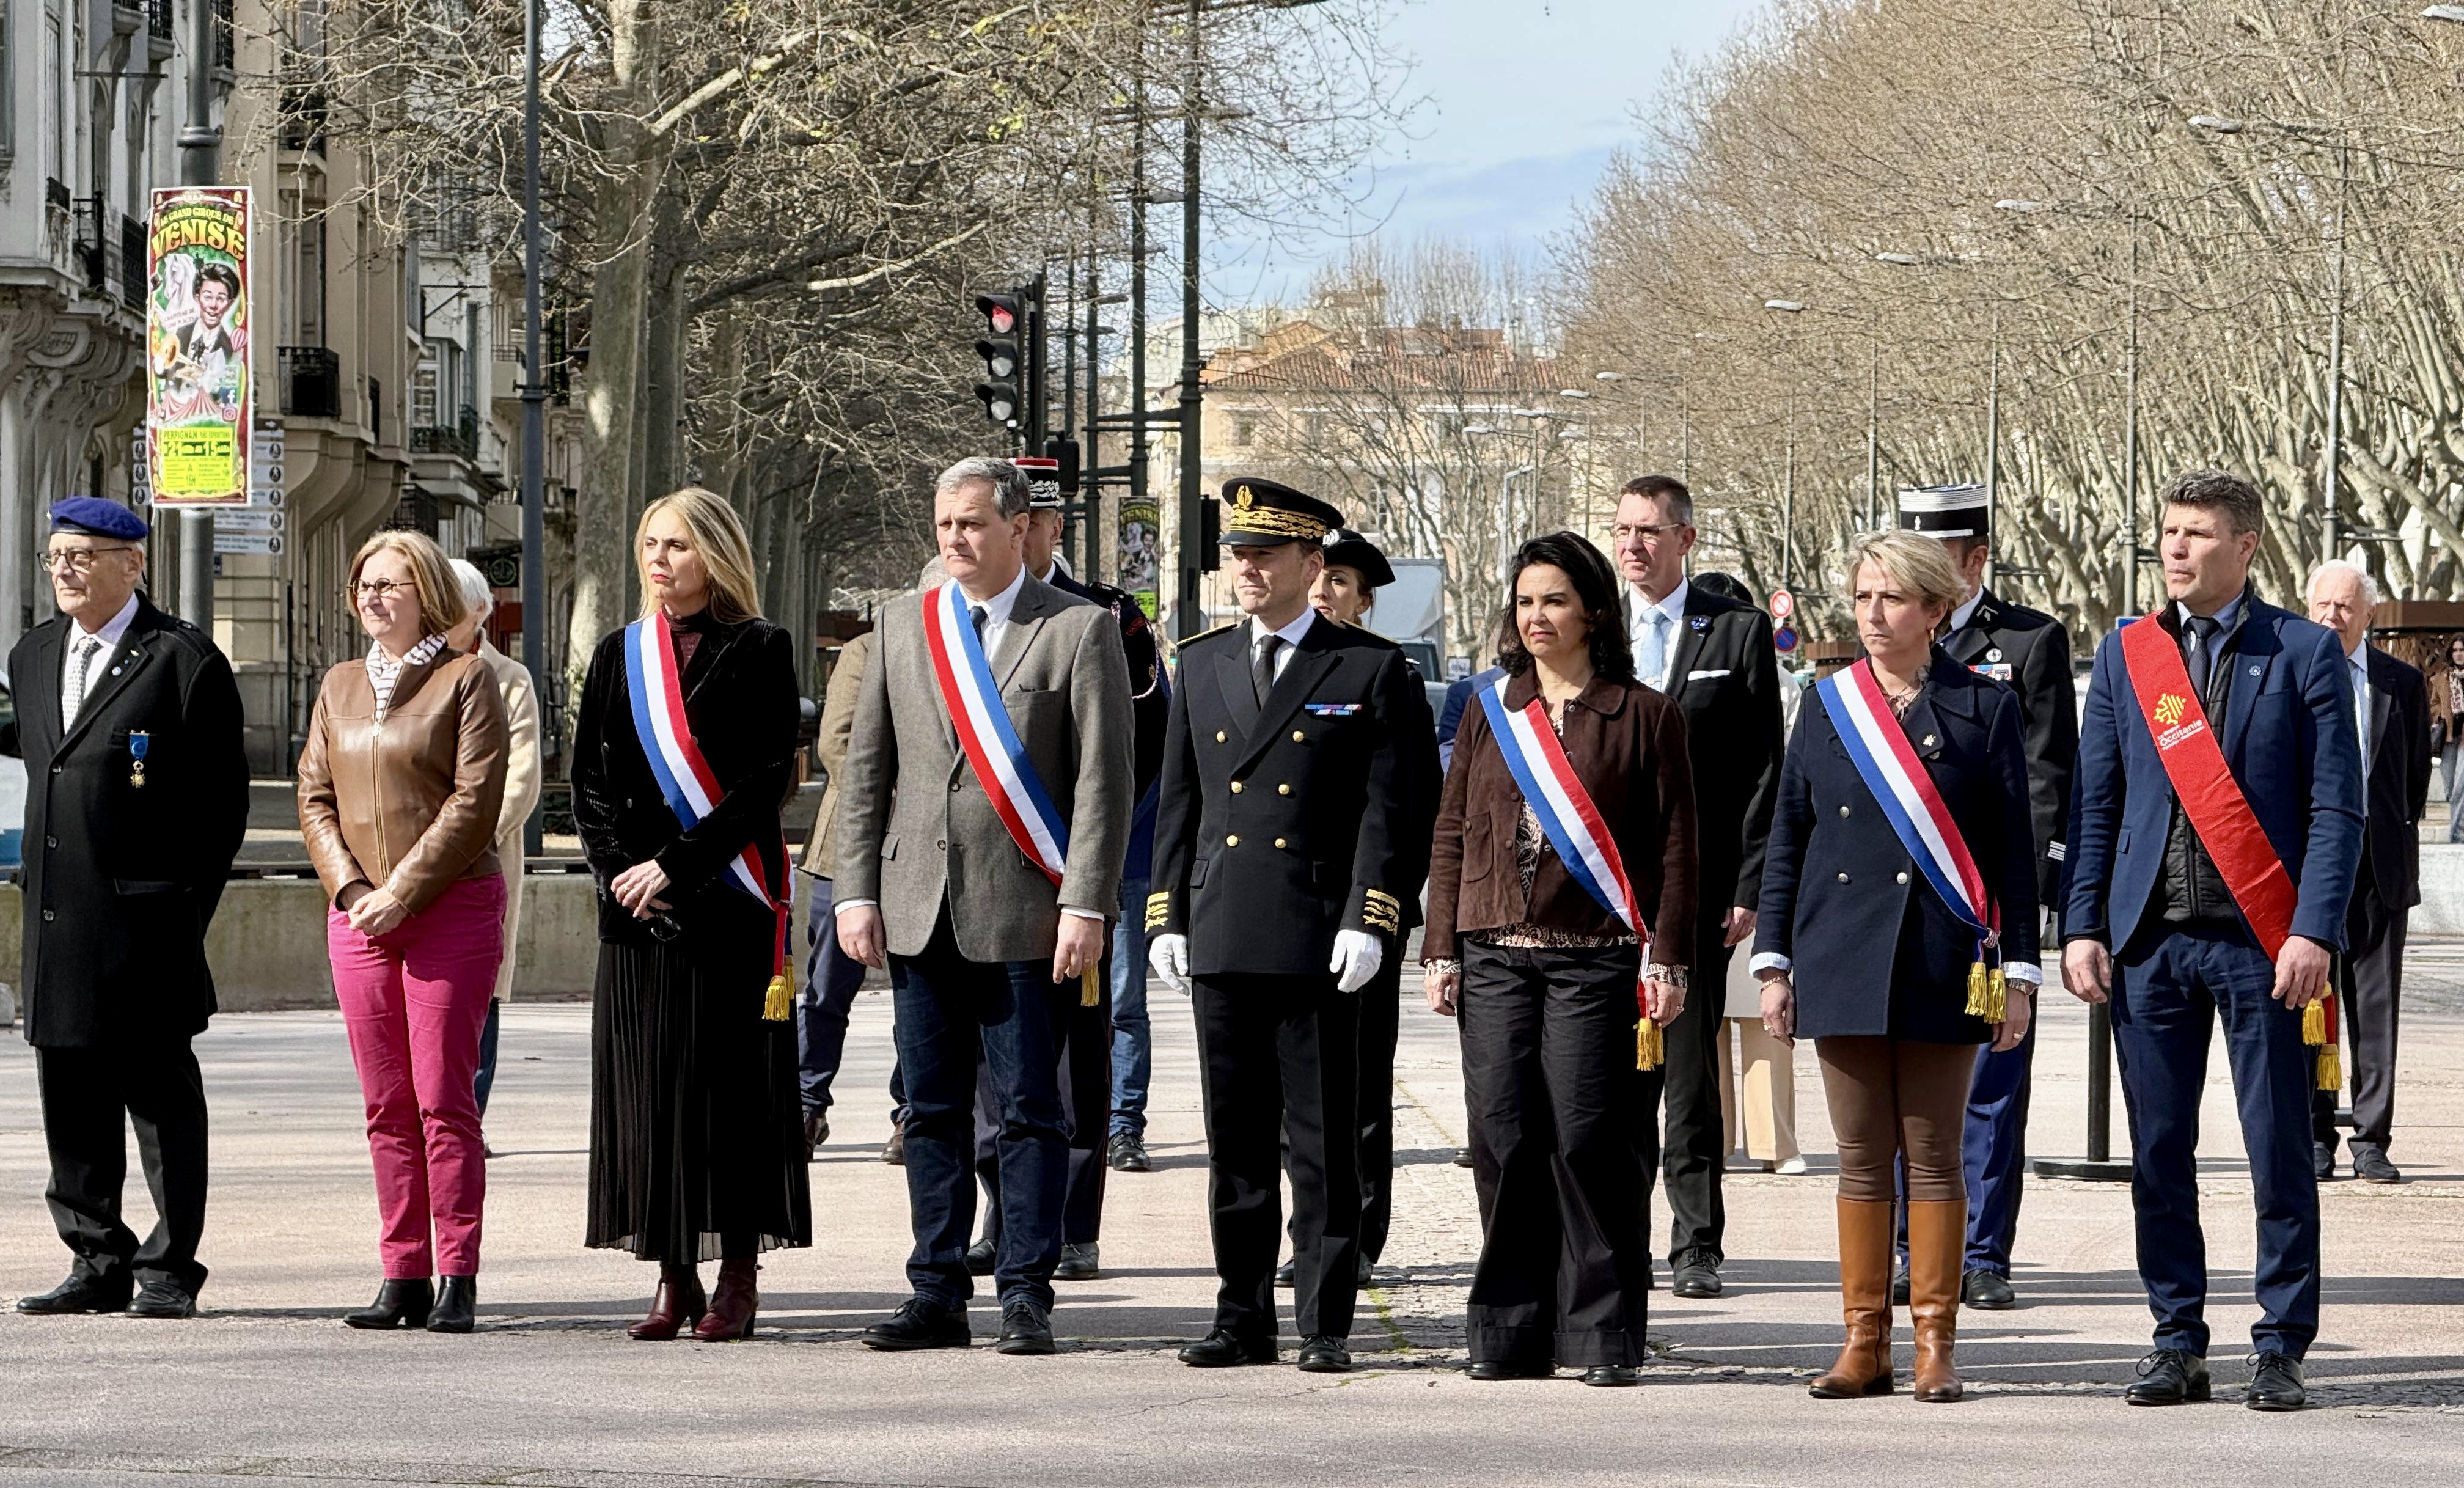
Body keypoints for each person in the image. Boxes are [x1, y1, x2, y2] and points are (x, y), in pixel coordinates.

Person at [2062, 470, 2363, 1412]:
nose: (2175, 547)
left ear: (2246, 545)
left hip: (2263, 945)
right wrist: (2082, 922)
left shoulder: (2304, 651)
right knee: (2159, 1151)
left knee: (2279, 1150)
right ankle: (2176, 1338)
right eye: (2167, 530)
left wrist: (2313, 927)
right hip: (2150, 941)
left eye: (2196, 532)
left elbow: (2336, 808)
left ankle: (2280, 1344)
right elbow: (2098, 800)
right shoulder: (2130, 654)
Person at [836, 456, 1132, 1357]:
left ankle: (1026, 1290)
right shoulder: (903, 624)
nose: (956, 539)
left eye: (971, 523)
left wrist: (1086, 902)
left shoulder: (1078, 628)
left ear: (1018, 527)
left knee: (1032, 1109)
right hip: (917, 905)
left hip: (1026, 912)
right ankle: (935, 1288)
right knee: (929, 1110)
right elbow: (867, 773)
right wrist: (856, 890)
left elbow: (1103, 781)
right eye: (945, 525)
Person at [1146, 477, 1426, 1374]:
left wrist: (1371, 915)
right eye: (1239, 554)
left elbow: (1391, 811)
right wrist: (1167, 913)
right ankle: (1241, 1315)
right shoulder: (1203, 662)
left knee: (1322, 1141)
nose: (1248, 569)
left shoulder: (1367, 667)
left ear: (1313, 562)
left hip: (1316, 933)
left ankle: (1325, 1319)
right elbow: (1179, 804)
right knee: (1235, 1141)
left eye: (1265, 554)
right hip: (1226, 925)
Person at [1754, 529, 2039, 1405]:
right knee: (1859, 1157)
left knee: (1936, 1154)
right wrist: (1774, 962)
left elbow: (2013, 852)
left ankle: (1935, 1343)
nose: (1873, 614)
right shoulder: (1827, 704)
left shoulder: (1984, 706)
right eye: (1863, 596)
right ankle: (1863, 1340)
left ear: (1936, 609)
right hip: (1839, 950)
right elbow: (1789, 836)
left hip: (1941, 954)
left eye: (1893, 597)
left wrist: (2021, 974)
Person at [1423, 532, 1697, 1386]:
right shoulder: (1489, 709)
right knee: (1504, 1136)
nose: (1535, 616)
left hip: (1598, 958)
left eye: (1554, 600)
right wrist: (1439, 945)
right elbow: (1452, 827)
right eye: (1525, 601)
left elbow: (1679, 847)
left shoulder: (1644, 713)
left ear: (1593, 612)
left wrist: (1669, 957)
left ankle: (1602, 1330)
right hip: (1494, 952)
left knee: (1589, 1140)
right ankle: (1508, 1328)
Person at [573, 487, 810, 1343]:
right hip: (636, 915)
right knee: (648, 1096)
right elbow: (588, 782)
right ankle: (673, 1272)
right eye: (650, 544)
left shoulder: (761, 646)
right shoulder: (619, 652)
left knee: (729, 1097)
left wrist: (675, 865)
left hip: (727, 903)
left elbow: (763, 781)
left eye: (676, 544)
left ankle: (738, 1273)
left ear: (715, 552)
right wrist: (620, 873)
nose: (659, 560)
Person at [10, 499, 247, 1321]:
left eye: (82, 555)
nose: (65, 570)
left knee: (160, 1102)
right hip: (57, 918)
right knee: (70, 1098)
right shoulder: (34, 655)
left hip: (147, 927)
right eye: (56, 556)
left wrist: (182, 914)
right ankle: (95, 1255)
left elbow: (221, 810)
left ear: (133, 562)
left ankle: (170, 1263)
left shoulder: (181, 660)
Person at [298, 531, 510, 1335]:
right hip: (359, 915)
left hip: (450, 908)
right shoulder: (339, 684)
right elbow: (314, 796)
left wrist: (403, 891)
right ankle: (403, 1271)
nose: (373, 597)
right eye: (364, 584)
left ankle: (457, 1272)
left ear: (428, 594)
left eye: (390, 584)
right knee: (386, 1102)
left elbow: (474, 801)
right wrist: (356, 889)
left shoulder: (466, 678)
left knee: (444, 1100)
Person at [959, 480, 1169, 1279]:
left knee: (1079, 1052)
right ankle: (1006, 1211)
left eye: (1034, 522)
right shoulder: (955, 618)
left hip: (1075, 867)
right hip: (986, 873)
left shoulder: (1109, 616)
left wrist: (1093, 852)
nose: (1021, 536)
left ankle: (1074, 1222)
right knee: (992, 1059)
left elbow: (1144, 743)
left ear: (1048, 526)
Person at [1891, 485, 2077, 1310]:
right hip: (1907, 897)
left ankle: (1983, 1250)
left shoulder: (2029, 641)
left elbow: (2048, 777)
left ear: (1976, 560)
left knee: (1993, 1080)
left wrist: (2029, 891)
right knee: (1908, 1079)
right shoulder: (1892, 642)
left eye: (1939, 559)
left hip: (1989, 902)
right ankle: (1913, 1245)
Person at [1612, 475, 1786, 1299]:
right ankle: (1616, 1235)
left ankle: (1695, 1241)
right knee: (1608, 1076)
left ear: (1684, 539)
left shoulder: (1735, 631)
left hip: (1699, 888)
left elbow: (1762, 767)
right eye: (1623, 529)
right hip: (1604, 888)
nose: (1633, 545)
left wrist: (1749, 882)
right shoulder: (1594, 627)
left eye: (1649, 530)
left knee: (1687, 1076)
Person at [1284, 525, 1437, 1282]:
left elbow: (1413, 803)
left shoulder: (1391, 675)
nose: (1325, 590)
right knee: (1294, 1088)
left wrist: (1385, 907)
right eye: (1319, 575)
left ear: (1365, 601)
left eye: (1342, 581)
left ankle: (1361, 1234)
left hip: (1363, 906)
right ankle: (1309, 1231)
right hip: (1288, 903)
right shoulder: (1275, 666)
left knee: (1360, 1080)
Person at [2304, 561, 2429, 1186]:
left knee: (2375, 1013)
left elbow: (2414, 782)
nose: (2332, 616)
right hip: (2309, 876)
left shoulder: (2401, 683)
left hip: (2380, 871)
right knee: (2311, 1007)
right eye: (2322, 605)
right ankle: (2315, 1134)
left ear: (2369, 615)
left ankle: (2372, 1139)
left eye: (2345, 606)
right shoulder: (2289, 674)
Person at [1687, 571, 1803, 1178]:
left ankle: (1773, 1140)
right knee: (1701, 1022)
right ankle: (1717, 1135)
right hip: (1701, 871)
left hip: (1756, 865)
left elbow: (1778, 773)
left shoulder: (1779, 683)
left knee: (1765, 1013)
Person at [446, 560, 544, 1141]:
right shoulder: (410, 670)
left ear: (481, 610)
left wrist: (466, 842)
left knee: (480, 993)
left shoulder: (510, 679)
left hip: (482, 861)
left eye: (451, 601)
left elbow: (522, 778)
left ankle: (466, 1122)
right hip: (411, 865)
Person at [794, 627, 876, 1159]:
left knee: (925, 997)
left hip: (931, 855)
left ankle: (911, 1112)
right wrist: (904, 796)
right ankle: (805, 1103)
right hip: (845, 853)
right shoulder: (865, 650)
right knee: (827, 988)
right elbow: (836, 742)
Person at [2437, 635, 2464, 841]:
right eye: (2455, 650)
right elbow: (2432, 704)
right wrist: (2440, 714)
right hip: (2448, 737)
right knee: (2449, 788)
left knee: (2459, 789)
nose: (2459, 654)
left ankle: (2457, 833)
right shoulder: (2441, 678)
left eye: (2462, 650)